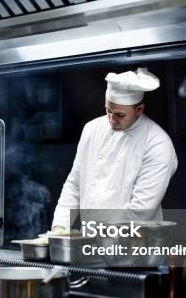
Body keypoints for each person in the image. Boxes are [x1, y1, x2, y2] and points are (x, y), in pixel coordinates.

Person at [51, 68, 178, 231]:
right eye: (108, 110)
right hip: (90, 244)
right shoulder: (91, 129)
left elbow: (140, 211)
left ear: (139, 110)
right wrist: (60, 226)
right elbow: (75, 184)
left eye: (119, 115)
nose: (111, 120)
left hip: (133, 246)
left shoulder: (157, 143)